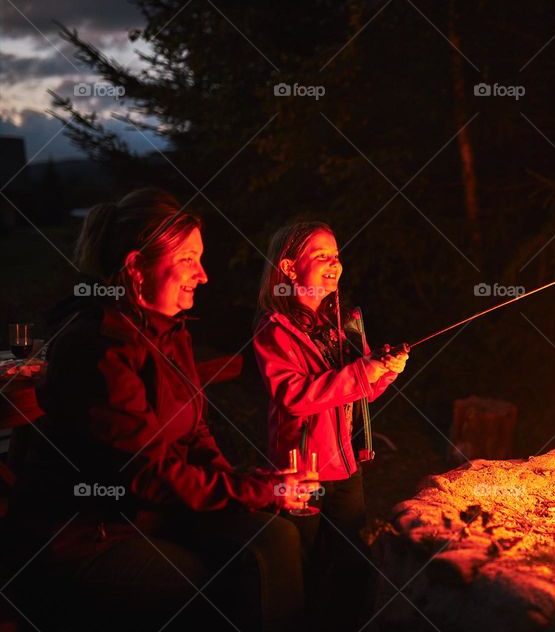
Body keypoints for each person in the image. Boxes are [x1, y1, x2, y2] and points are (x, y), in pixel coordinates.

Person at [2, 188, 316, 632]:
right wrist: (250, 491)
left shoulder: (169, 331)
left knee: (274, 534)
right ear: (135, 267)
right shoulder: (96, 346)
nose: (203, 276)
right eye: (188, 259)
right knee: (208, 584)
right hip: (81, 535)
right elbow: (145, 471)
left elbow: (195, 433)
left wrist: (247, 491)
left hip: (150, 513)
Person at [253, 221, 407, 629]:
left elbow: (356, 393)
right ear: (288, 268)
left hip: (346, 467)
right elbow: (294, 397)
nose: (334, 264)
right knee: (305, 569)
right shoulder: (275, 331)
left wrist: (383, 371)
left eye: (336, 255)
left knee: (352, 567)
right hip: (303, 470)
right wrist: (362, 372)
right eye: (321, 256)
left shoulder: (337, 325)